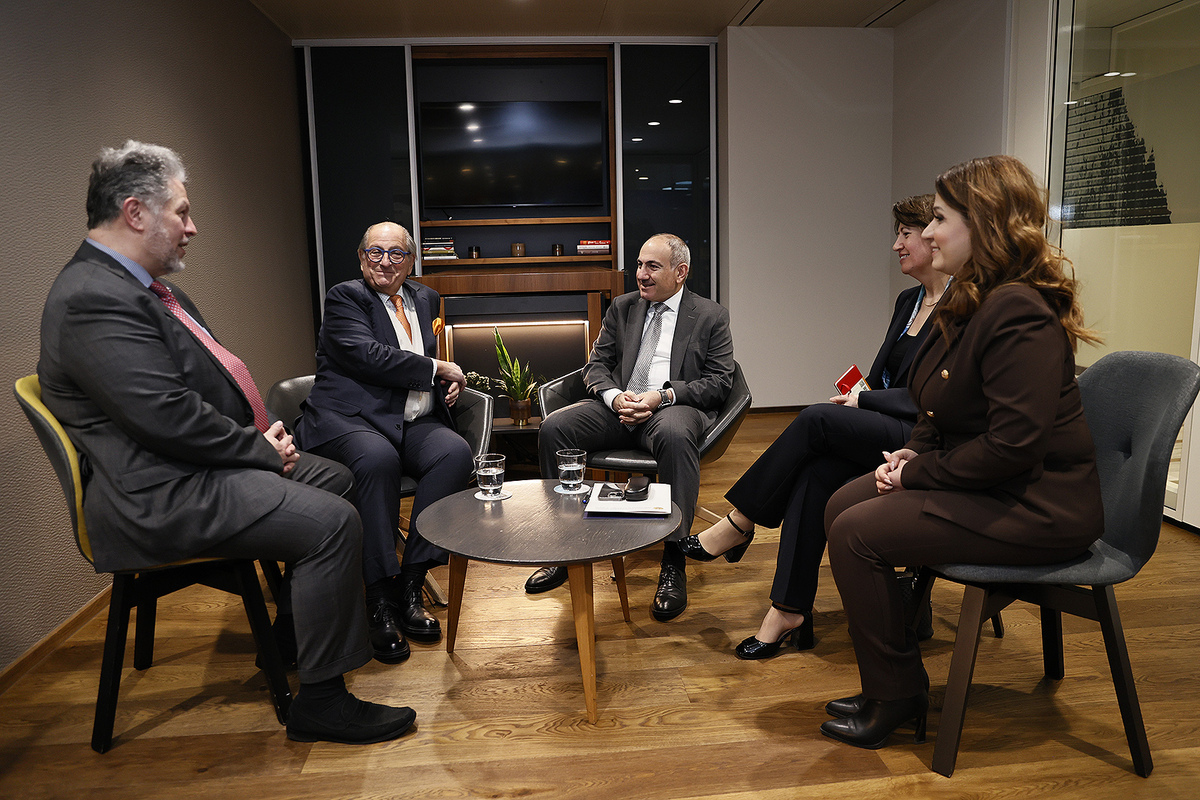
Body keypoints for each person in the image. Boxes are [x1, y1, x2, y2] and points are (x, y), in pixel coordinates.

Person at [37, 141, 415, 744]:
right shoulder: (93, 297)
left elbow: (198, 384)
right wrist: (258, 449)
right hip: (159, 491)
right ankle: (322, 702)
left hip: (191, 464)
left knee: (336, 477)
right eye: (182, 212)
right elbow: (165, 417)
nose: (192, 228)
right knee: (333, 523)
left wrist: (259, 434)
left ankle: (296, 635)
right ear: (136, 213)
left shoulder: (145, 288)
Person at [820, 155, 1104, 750]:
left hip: (1038, 505)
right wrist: (909, 457)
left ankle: (896, 693)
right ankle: (896, 678)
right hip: (992, 483)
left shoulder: (1018, 309)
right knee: (842, 503)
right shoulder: (970, 299)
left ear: (985, 226)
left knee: (855, 533)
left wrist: (919, 472)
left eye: (939, 219)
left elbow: (1014, 446)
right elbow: (934, 406)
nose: (926, 233)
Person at [678, 196, 949, 659]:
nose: (896, 245)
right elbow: (887, 377)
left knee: (816, 418)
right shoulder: (909, 300)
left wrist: (862, 401)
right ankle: (788, 609)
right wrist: (862, 394)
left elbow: (934, 397)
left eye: (905, 234)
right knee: (814, 472)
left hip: (922, 437)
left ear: (931, 236)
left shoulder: (962, 306)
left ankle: (740, 522)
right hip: (885, 422)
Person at [526, 233, 735, 621]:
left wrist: (662, 396)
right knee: (555, 428)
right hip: (618, 406)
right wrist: (614, 397)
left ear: (680, 272)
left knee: (675, 435)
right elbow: (596, 365)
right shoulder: (622, 308)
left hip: (672, 407)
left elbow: (720, 382)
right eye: (639, 265)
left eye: (652, 266)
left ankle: (674, 558)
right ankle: (564, 549)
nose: (641, 274)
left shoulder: (710, 316)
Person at [296, 222, 473, 661]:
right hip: (349, 417)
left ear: (410, 262)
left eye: (396, 254)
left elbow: (418, 355)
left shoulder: (426, 298)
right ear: (362, 258)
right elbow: (367, 356)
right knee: (376, 460)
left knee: (455, 453)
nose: (384, 262)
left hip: (407, 418)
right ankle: (379, 597)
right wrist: (437, 369)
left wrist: (443, 384)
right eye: (375, 252)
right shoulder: (345, 297)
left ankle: (411, 582)